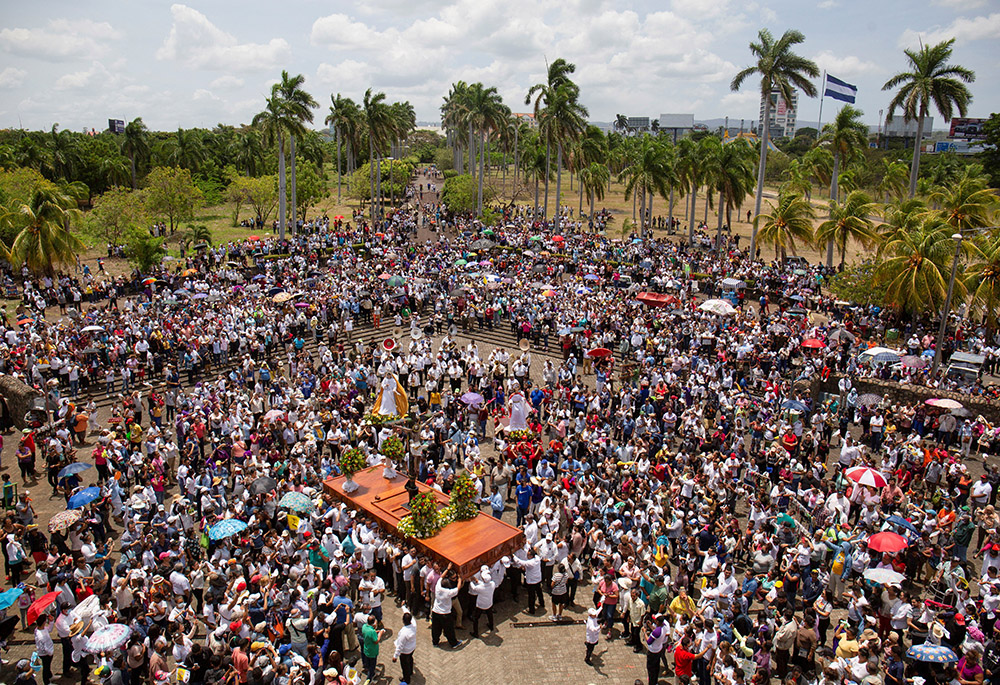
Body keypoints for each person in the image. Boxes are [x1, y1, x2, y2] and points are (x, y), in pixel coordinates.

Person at [431, 565, 462, 648]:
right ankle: (453, 643)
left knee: (436, 629)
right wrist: (460, 579)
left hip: (435, 611)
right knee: (449, 630)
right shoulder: (448, 592)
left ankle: (435, 642)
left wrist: (448, 568)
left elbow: (441, 576)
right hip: (445, 614)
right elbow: (458, 588)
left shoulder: (438, 587)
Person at [392, 611, 416, 684]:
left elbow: (400, 646)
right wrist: (404, 607)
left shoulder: (404, 633)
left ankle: (406, 679)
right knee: (410, 659)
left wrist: (395, 656)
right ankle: (411, 671)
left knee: (405, 666)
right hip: (412, 648)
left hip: (405, 651)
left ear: (403, 621)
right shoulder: (414, 625)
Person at [360, 614, 385, 682]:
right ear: (374, 623)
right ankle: (370, 678)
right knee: (372, 665)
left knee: (368, 662)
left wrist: (375, 632)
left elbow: (368, 634)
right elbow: (376, 641)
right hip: (372, 651)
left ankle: (368, 669)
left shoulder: (364, 626)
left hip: (366, 648)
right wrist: (380, 634)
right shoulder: (372, 631)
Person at [34, 614, 55, 685]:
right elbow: (44, 648)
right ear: (43, 622)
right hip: (45, 654)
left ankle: (50, 676)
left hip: (47, 652)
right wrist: (50, 653)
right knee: (46, 668)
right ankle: (47, 682)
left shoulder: (39, 629)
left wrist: (51, 622)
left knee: (48, 666)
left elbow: (49, 629)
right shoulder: (41, 636)